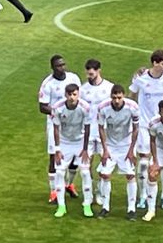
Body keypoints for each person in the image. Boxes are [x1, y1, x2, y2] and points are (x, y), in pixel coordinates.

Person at [127, 49, 163, 210]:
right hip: (144, 125)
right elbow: (131, 98)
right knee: (143, 163)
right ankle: (142, 196)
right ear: (154, 63)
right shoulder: (140, 78)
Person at [38, 55, 83, 203]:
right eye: (58, 66)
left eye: (63, 64)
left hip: (74, 123)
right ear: (52, 67)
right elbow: (42, 106)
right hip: (55, 124)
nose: (62, 68)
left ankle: (69, 184)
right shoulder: (47, 84)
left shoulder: (73, 78)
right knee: (54, 156)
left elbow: (80, 98)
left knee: (76, 156)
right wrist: (58, 112)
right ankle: (53, 191)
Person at [96, 84, 141, 220]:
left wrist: (131, 150)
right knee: (105, 174)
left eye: (119, 97)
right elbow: (101, 129)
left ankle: (131, 209)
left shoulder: (132, 107)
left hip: (126, 144)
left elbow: (136, 128)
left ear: (124, 96)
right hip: (110, 144)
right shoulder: (103, 108)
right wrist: (105, 150)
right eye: (114, 97)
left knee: (130, 175)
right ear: (111, 96)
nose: (116, 101)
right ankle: (105, 207)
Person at [50, 83, 93, 218]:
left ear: (78, 94)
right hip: (64, 142)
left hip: (80, 142)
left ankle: (87, 205)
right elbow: (56, 128)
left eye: (74, 94)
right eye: (69, 95)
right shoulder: (58, 108)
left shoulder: (85, 108)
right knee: (60, 172)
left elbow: (87, 128)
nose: (72, 97)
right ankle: (61, 206)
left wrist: (85, 149)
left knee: (85, 172)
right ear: (65, 95)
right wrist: (57, 149)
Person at [78, 58, 114, 208]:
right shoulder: (82, 89)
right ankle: (89, 194)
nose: (90, 76)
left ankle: (100, 192)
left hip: (104, 132)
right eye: (88, 74)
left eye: (92, 73)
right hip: (87, 132)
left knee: (105, 163)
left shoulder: (109, 87)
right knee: (86, 166)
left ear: (99, 70)